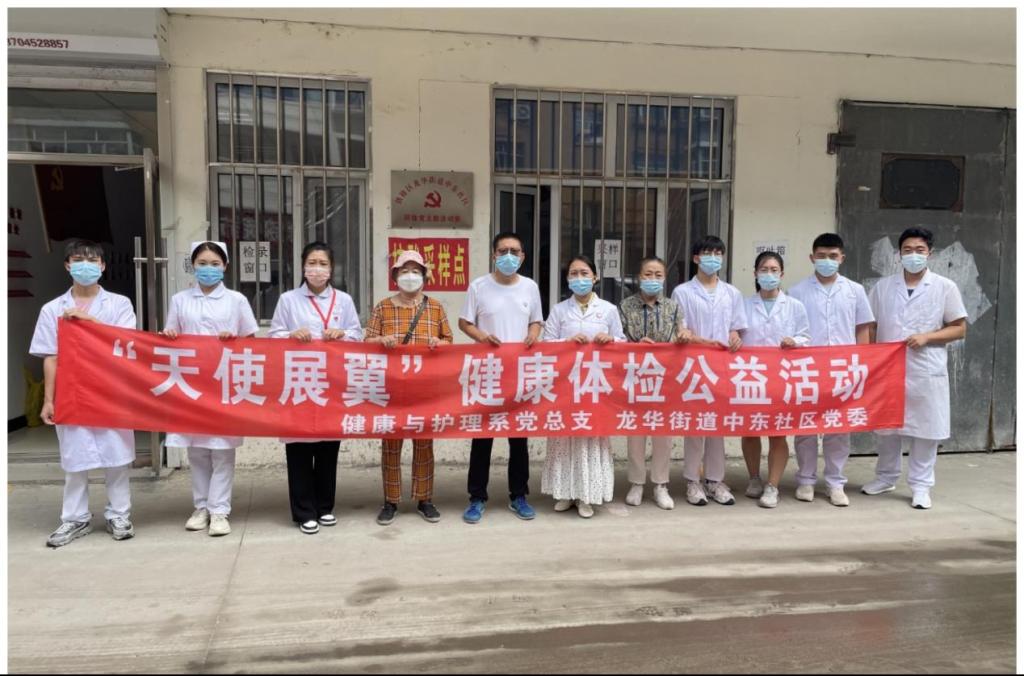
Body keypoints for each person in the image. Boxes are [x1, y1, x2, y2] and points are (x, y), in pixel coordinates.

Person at [30, 239, 138, 547]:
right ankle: (75, 519)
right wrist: (48, 400)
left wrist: (90, 321)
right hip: (72, 392)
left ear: (102, 266)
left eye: (92, 260)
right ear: (67, 265)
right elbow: (51, 357)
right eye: (78, 260)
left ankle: (119, 515)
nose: (85, 266)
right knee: (75, 458)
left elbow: (125, 343)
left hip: (110, 389)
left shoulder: (119, 304)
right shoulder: (52, 309)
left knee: (116, 456)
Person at [862, 227, 967, 509]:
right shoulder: (883, 287)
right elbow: (870, 325)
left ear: (929, 253)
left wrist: (927, 337)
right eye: (907, 250)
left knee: (926, 430)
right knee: (887, 428)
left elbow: (959, 328)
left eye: (919, 250)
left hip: (925, 369)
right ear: (899, 254)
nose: (913, 255)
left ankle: (921, 486)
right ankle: (885, 477)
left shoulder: (945, 287)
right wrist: (869, 358)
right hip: (888, 369)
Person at [160, 241, 258, 536]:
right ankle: (201, 507)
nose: (208, 269)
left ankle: (219, 511)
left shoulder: (236, 300)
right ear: (193, 265)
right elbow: (170, 335)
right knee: (197, 451)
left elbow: (251, 341)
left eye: (215, 264)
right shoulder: (180, 300)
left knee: (222, 450)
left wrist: (234, 340)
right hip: (190, 383)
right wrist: (170, 334)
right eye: (202, 263)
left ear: (225, 266)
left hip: (223, 381)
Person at [269, 241, 364, 534]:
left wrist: (342, 333)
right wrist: (290, 334)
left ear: (331, 269)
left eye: (323, 264)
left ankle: (324, 507)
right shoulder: (288, 300)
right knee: (299, 447)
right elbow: (273, 336)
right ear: (302, 267)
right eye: (312, 263)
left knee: (327, 447)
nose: (317, 269)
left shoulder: (343, 300)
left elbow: (357, 335)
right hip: (299, 380)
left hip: (331, 382)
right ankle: (303, 511)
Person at [458, 231, 544, 524]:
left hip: (519, 373)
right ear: (494, 255)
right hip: (488, 373)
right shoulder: (479, 286)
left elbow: (536, 321)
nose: (509, 256)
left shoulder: (530, 287)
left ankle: (519, 495)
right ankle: (476, 497)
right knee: (482, 438)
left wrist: (533, 334)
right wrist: (482, 336)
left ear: (523, 256)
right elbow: (464, 322)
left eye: (514, 251)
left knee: (518, 438)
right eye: (503, 251)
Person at [364, 250, 453, 526]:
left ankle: (424, 499)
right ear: (395, 276)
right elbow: (367, 341)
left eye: (416, 271)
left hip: (425, 388)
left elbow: (449, 340)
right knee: (391, 445)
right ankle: (390, 501)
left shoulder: (435, 307)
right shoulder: (382, 307)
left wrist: (439, 344)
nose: (410, 276)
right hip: (392, 388)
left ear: (424, 276)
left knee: (424, 444)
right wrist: (382, 340)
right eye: (404, 271)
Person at [788, 233, 875, 507]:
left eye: (833, 256)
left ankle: (835, 483)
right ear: (812, 257)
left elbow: (863, 328)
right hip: (808, 369)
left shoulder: (855, 290)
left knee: (839, 427)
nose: (827, 260)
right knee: (806, 427)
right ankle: (805, 480)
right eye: (822, 256)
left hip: (843, 368)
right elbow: (791, 331)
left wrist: (862, 363)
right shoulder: (796, 291)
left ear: (842, 258)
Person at [541, 255, 626, 518]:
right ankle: (565, 492)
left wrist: (610, 339)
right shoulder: (559, 310)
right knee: (564, 437)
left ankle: (587, 495)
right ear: (567, 279)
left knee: (591, 436)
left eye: (584, 273)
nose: (579, 278)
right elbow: (546, 344)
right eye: (573, 273)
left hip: (596, 385)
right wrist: (566, 343)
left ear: (595, 277)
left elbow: (623, 343)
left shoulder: (609, 309)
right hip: (565, 384)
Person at [670, 235, 747, 507]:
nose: (713, 258)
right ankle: (693, 481)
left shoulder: (732, 293)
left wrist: (735, 336)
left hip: (722, 367)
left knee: (717, 425)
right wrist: (699, 340)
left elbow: (736, 328)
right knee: (695, 425)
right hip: (694, 366)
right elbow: (681, 330)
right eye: (707, 253)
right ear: (696, 258)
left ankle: (715, 481)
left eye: (718, 253)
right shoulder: (682, 292)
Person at [617, 256, 691, 510]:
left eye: (658, 275)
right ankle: (636, 483)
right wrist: (635, 346)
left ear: (664, 279)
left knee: (663, 433)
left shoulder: (673, 307)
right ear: (639, 277)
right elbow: (618, 340)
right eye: (648, 274)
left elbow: (682, 332)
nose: (653, 279)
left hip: (665, 378)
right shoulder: (625, 306)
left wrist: (684, 335)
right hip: (635, 376)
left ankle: (660, 484)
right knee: (636, 433)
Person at [738, 251, 810, 508]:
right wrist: (733, 337)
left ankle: (773, 486)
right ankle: (754, 478)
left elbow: (806, 336)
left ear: (782, 274)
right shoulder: (744, 304)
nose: (769, 274)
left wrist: (795, 341)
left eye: (774, 270)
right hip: (751, 376)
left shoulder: (795, 306)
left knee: (777, 433)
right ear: (755, 273)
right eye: (764, 269)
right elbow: (735, 333)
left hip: (782, 377)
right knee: (750, 430)